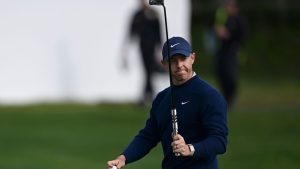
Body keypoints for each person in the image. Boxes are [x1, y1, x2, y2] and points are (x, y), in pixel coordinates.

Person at [107, 37, 228, 169]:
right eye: (173, 60)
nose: (179, 65)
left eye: (183, 58)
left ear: (192, 58)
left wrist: (190, 149)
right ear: (164, 64)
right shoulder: (162, 99)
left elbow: (219, 141)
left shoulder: (209, 96)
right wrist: (123, 158)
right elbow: (148, 136)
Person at [124, 0, 163, 106]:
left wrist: (160, 48)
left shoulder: (153, 14)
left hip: (152, 47)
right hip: (143, 47)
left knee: (149, 71)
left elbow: (158, 31)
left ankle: (147, 95)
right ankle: (149, 95)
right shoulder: (138, 15)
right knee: (148, 72)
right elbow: (132, 30)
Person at [214, 0, 246, 107]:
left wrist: (229, 35)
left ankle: (231, 98)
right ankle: (225, 98)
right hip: (222, 51)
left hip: (231, 52)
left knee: (230, 75)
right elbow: (216, 29)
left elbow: (242, 36)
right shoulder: (224, 17)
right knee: (221, 74)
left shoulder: (239, 20)